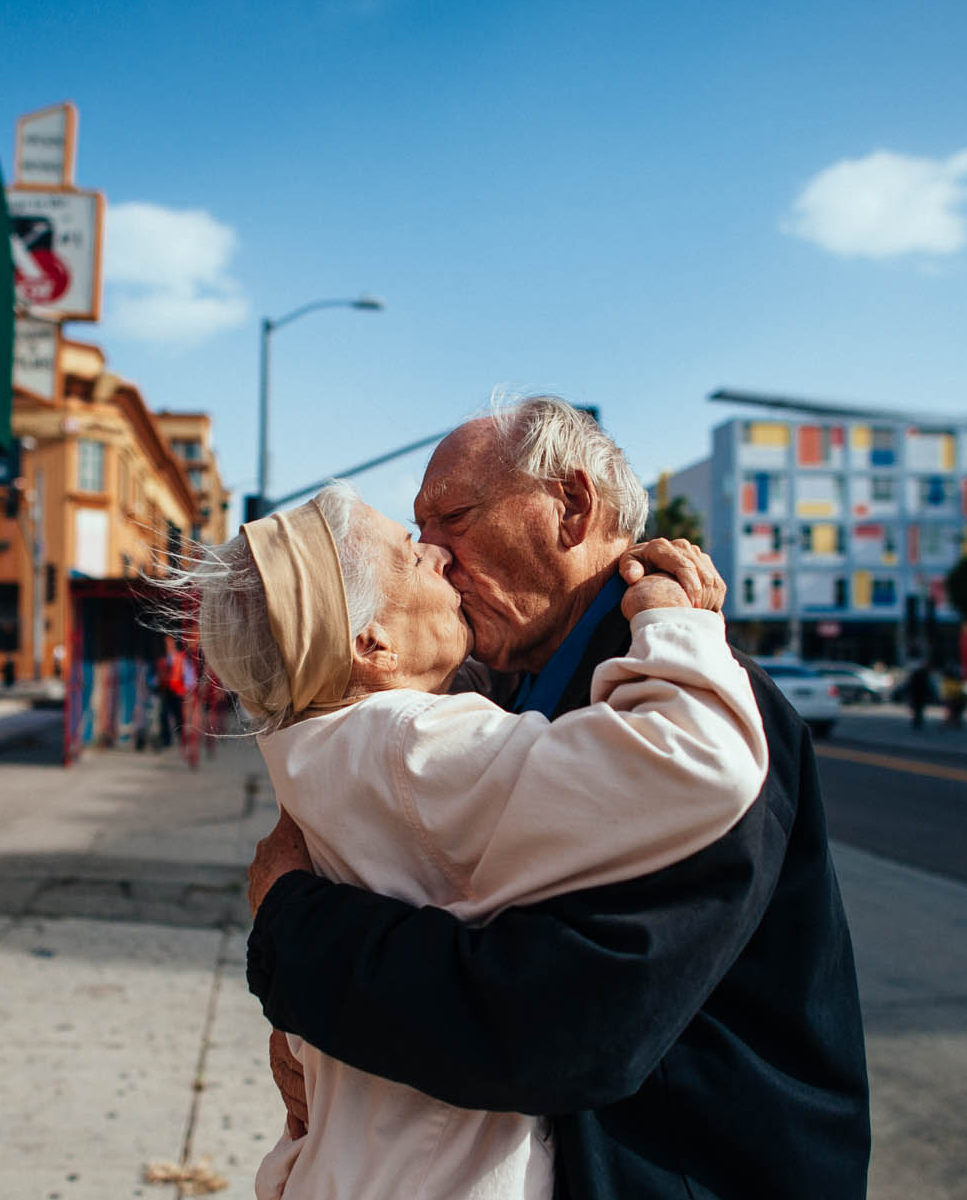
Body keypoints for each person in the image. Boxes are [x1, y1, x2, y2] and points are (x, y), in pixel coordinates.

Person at [246, 397, 870, 1200]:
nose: (432, 553)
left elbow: (554, 1026)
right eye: (417, 533)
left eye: (452, 519)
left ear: (571, 508)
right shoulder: (504, 690)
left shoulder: (701, 710)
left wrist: (289, 930)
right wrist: (304, 1035)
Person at [175, 481, 764, 1198]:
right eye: (410, 549)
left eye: (450, 520)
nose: (437, 556)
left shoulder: (321, 740)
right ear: (370, 643)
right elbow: (698, 759)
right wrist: (673, 620)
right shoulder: (409, 743)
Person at [906, 659, 933, 731]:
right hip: (918, 694)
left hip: (918, 694)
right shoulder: (922, 674)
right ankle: (917, 721)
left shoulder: (921, 674)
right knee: (918, 708)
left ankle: (917, 721)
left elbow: (911, 684)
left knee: (918, 708)